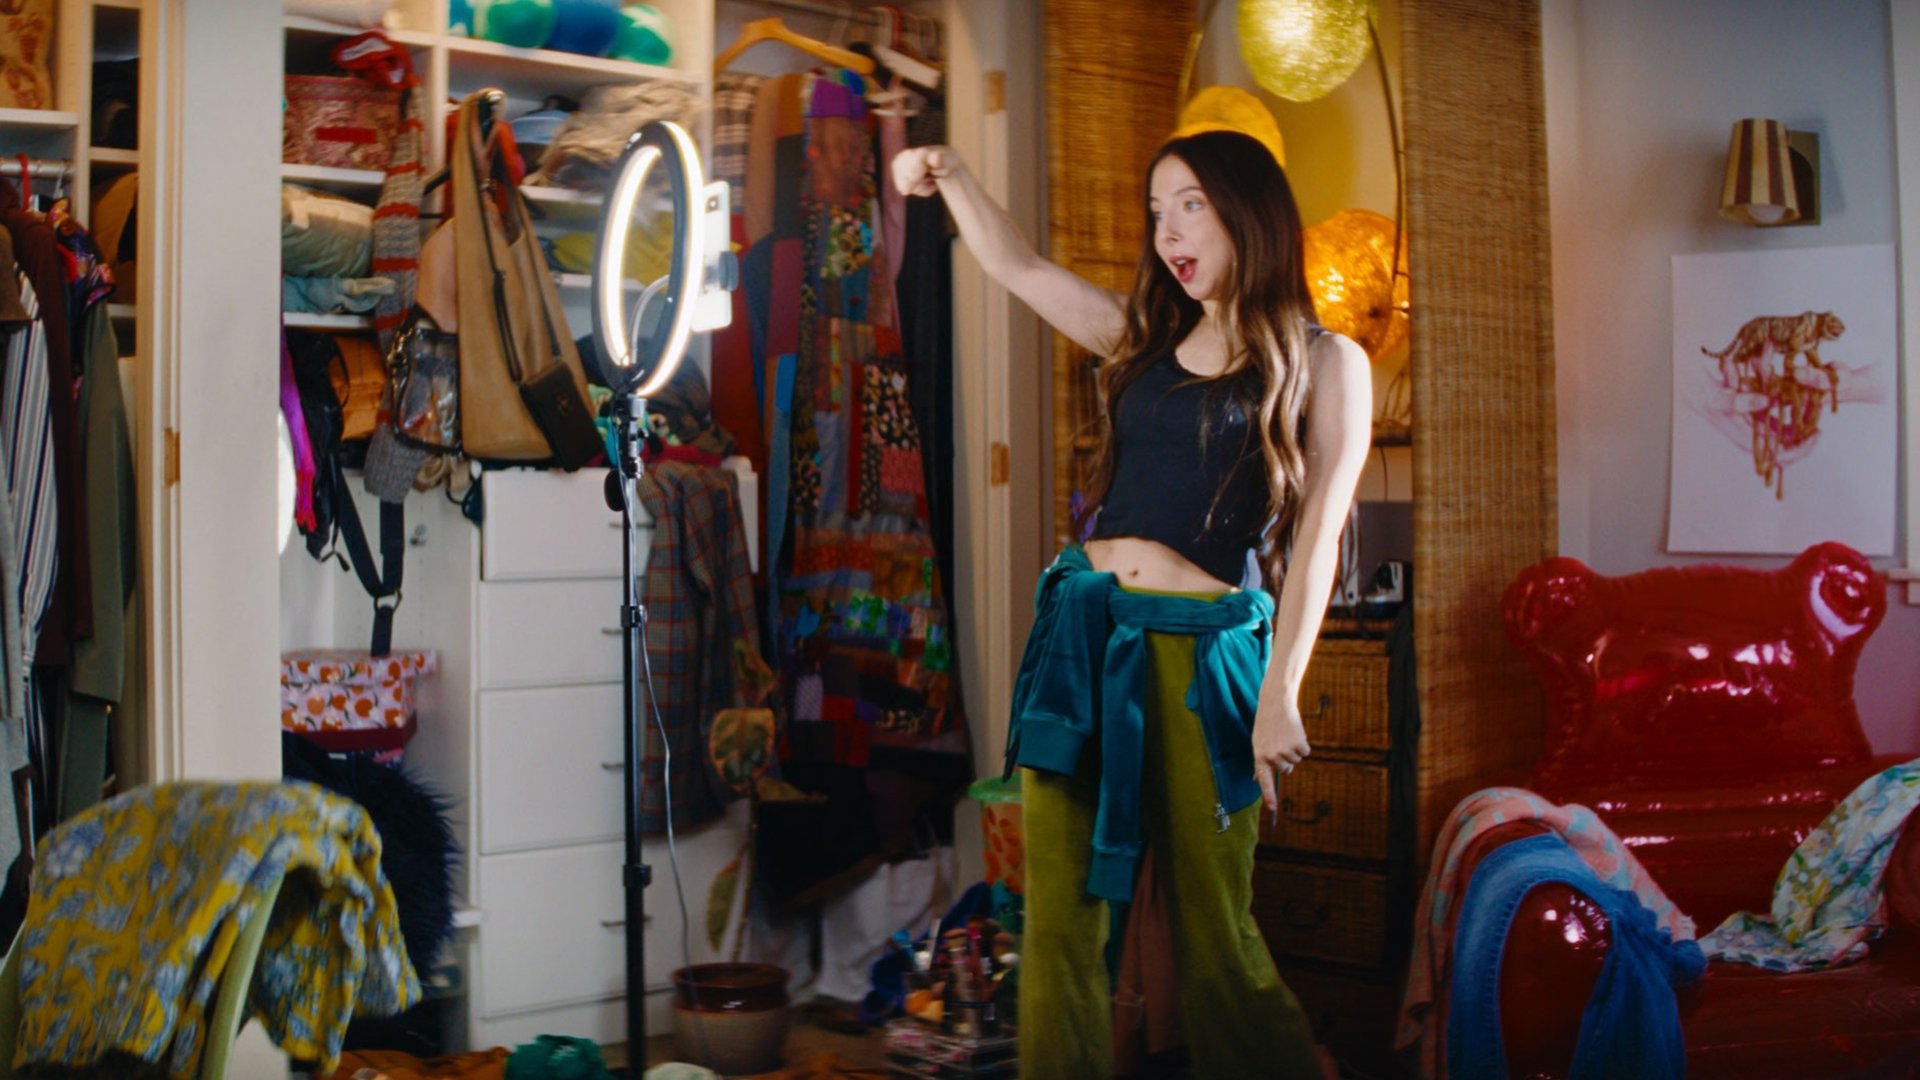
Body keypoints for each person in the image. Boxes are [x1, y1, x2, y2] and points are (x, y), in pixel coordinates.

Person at [892, 128, 1370, 1079]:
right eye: (1158, 212)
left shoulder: (1328, 361)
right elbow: (1019, 267)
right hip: (1084, 633)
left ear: (1250, 212)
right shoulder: (1144, 341)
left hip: (1206, 655)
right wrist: (954, 177)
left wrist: (1281, 695)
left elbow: (1318, 539)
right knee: (1058, 918)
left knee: (1213, 929)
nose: (1169, 233)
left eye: (1190, 205)